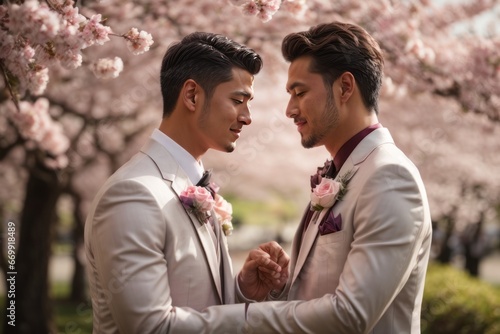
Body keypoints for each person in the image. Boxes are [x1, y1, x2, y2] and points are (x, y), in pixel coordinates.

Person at [177, 21, 433, 333]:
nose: (289, 110)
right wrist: (276, 288)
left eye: (300, 92)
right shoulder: (344, 170)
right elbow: (320, 295)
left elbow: (351, 314)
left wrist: (235, 320)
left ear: (345, 87)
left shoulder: (389, 177)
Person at [84, 31, 287, 333]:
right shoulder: (134, 194)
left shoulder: (191, 184)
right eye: (237, 100)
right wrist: (259, 319)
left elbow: (196, 303)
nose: (247, 117)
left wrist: (243, 290)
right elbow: (151, 326)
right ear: (192, 95)